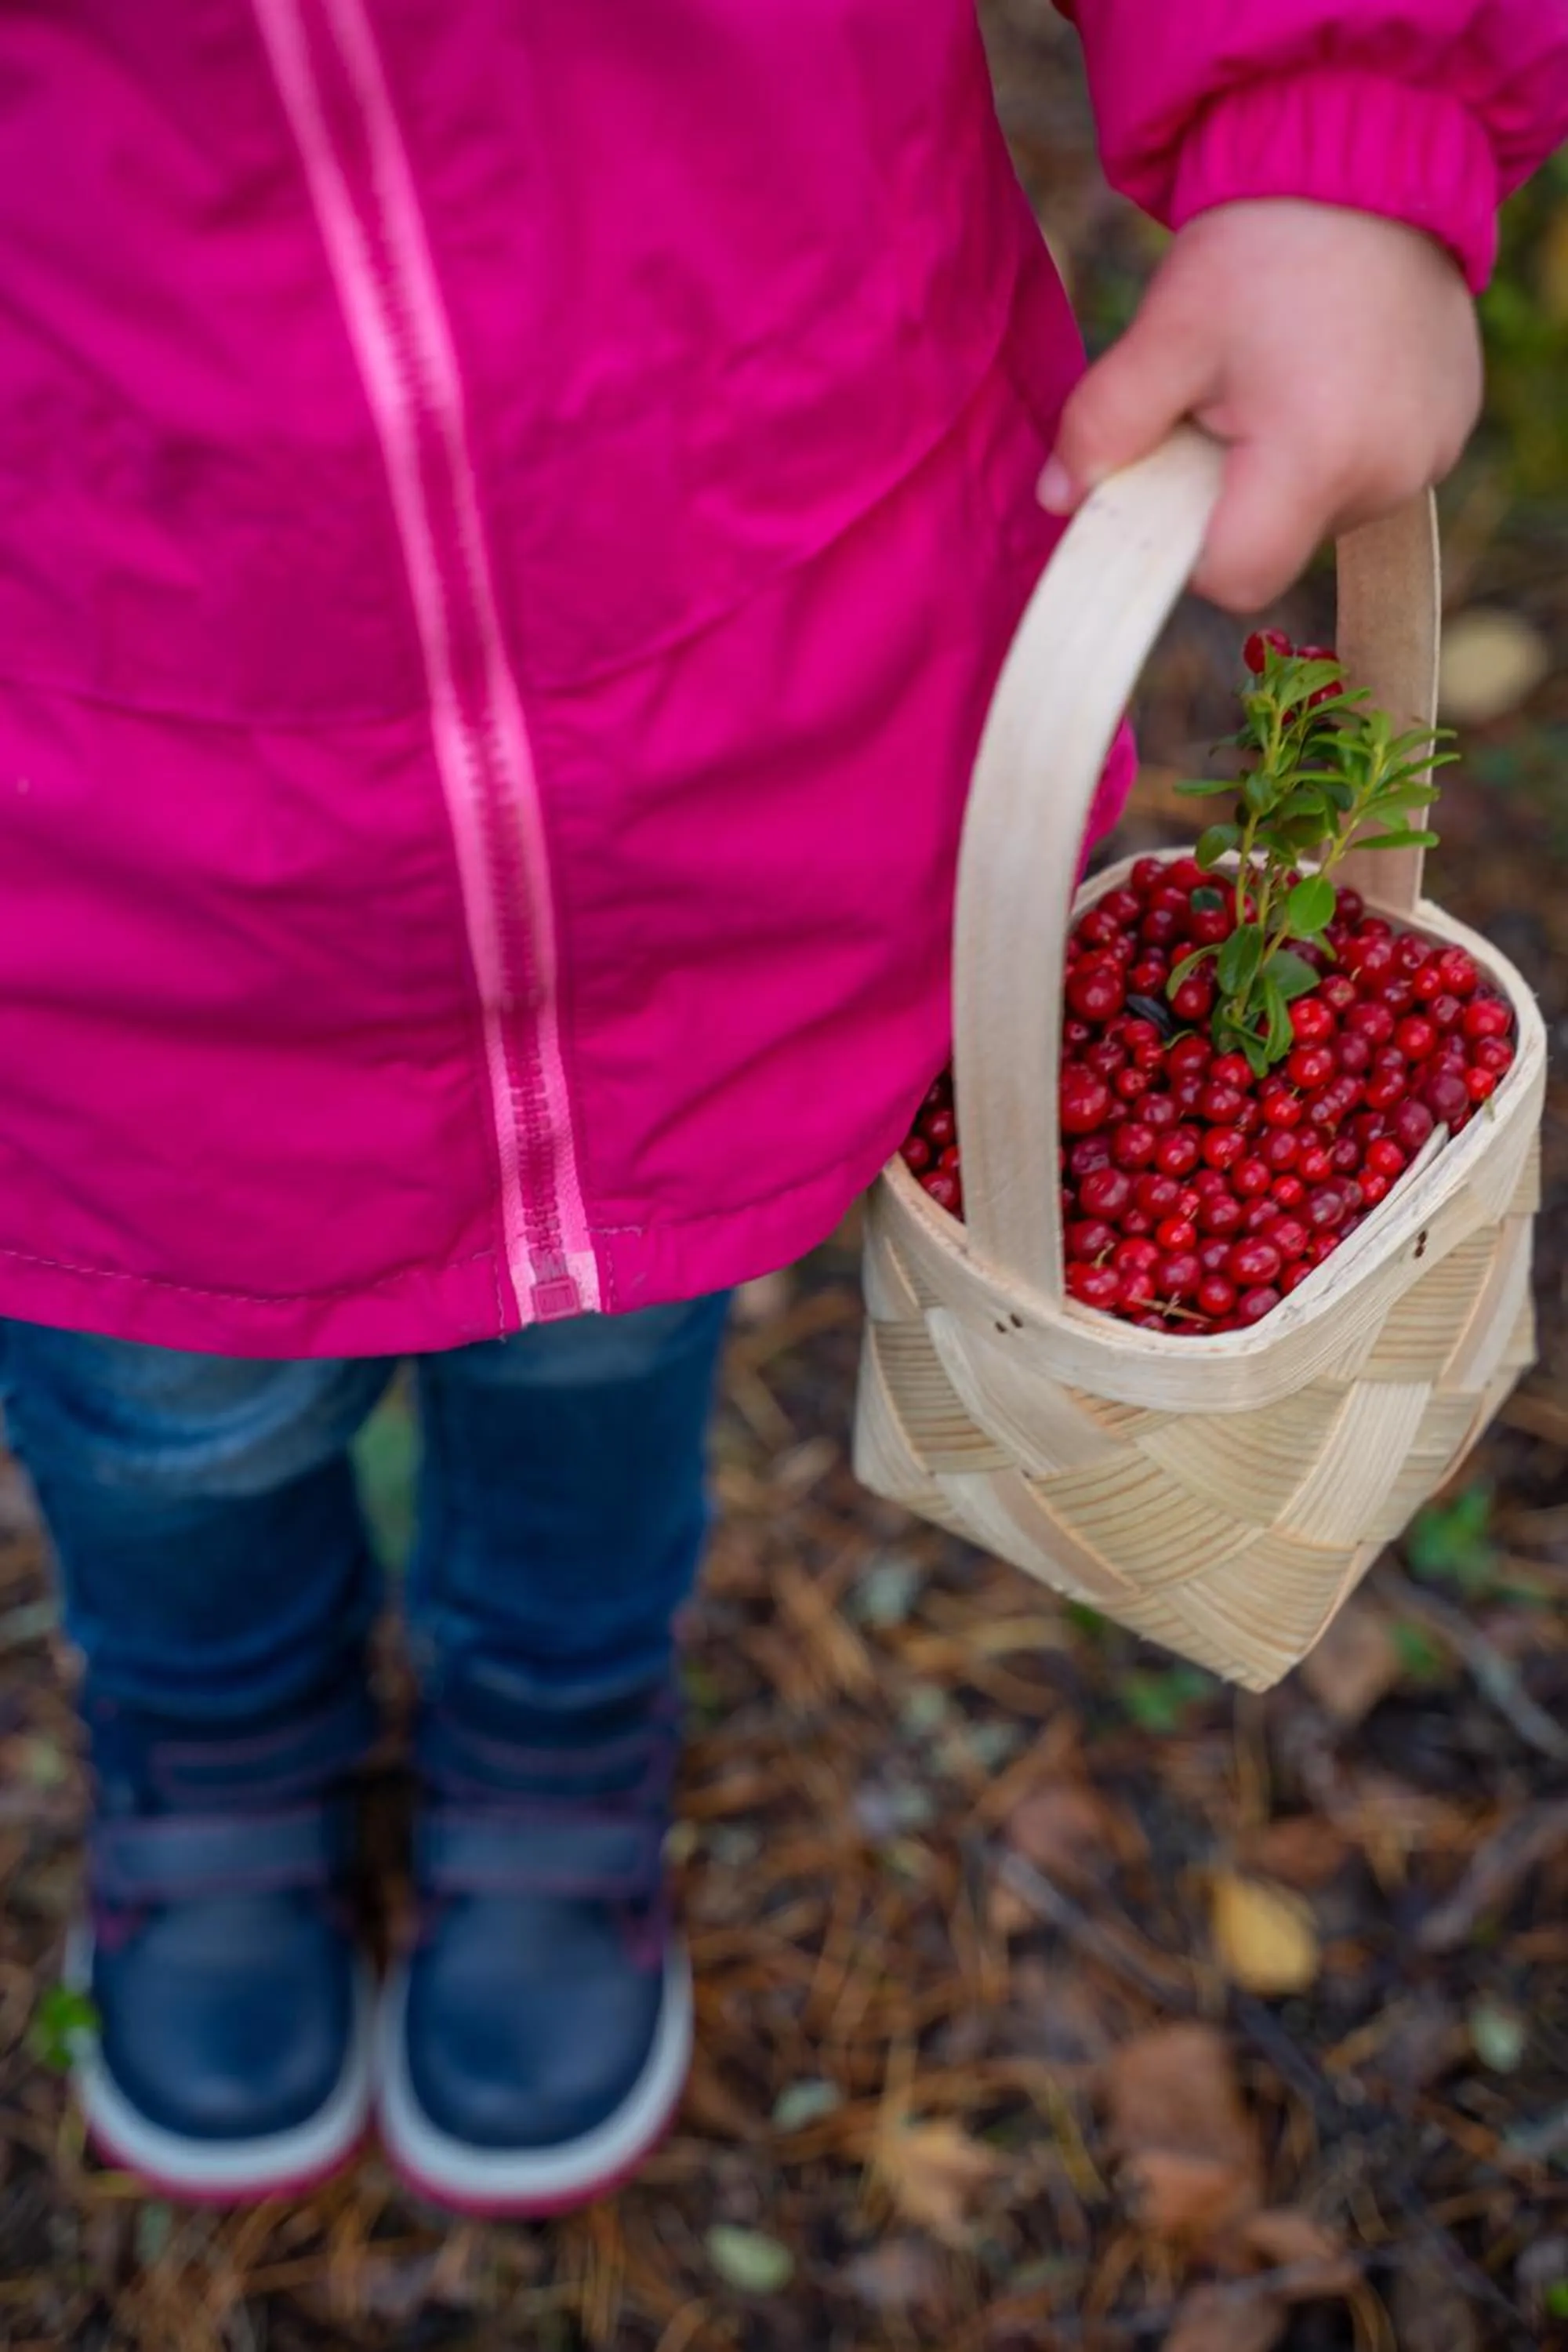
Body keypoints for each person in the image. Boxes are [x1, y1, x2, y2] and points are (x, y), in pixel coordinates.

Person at [1, 0, 1564, 2216]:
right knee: (162, 1409)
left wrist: (1342, 101)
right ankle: (215, 1748)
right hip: (94, 834)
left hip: (737, 643)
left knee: (617, 1321)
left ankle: (556, 1726)